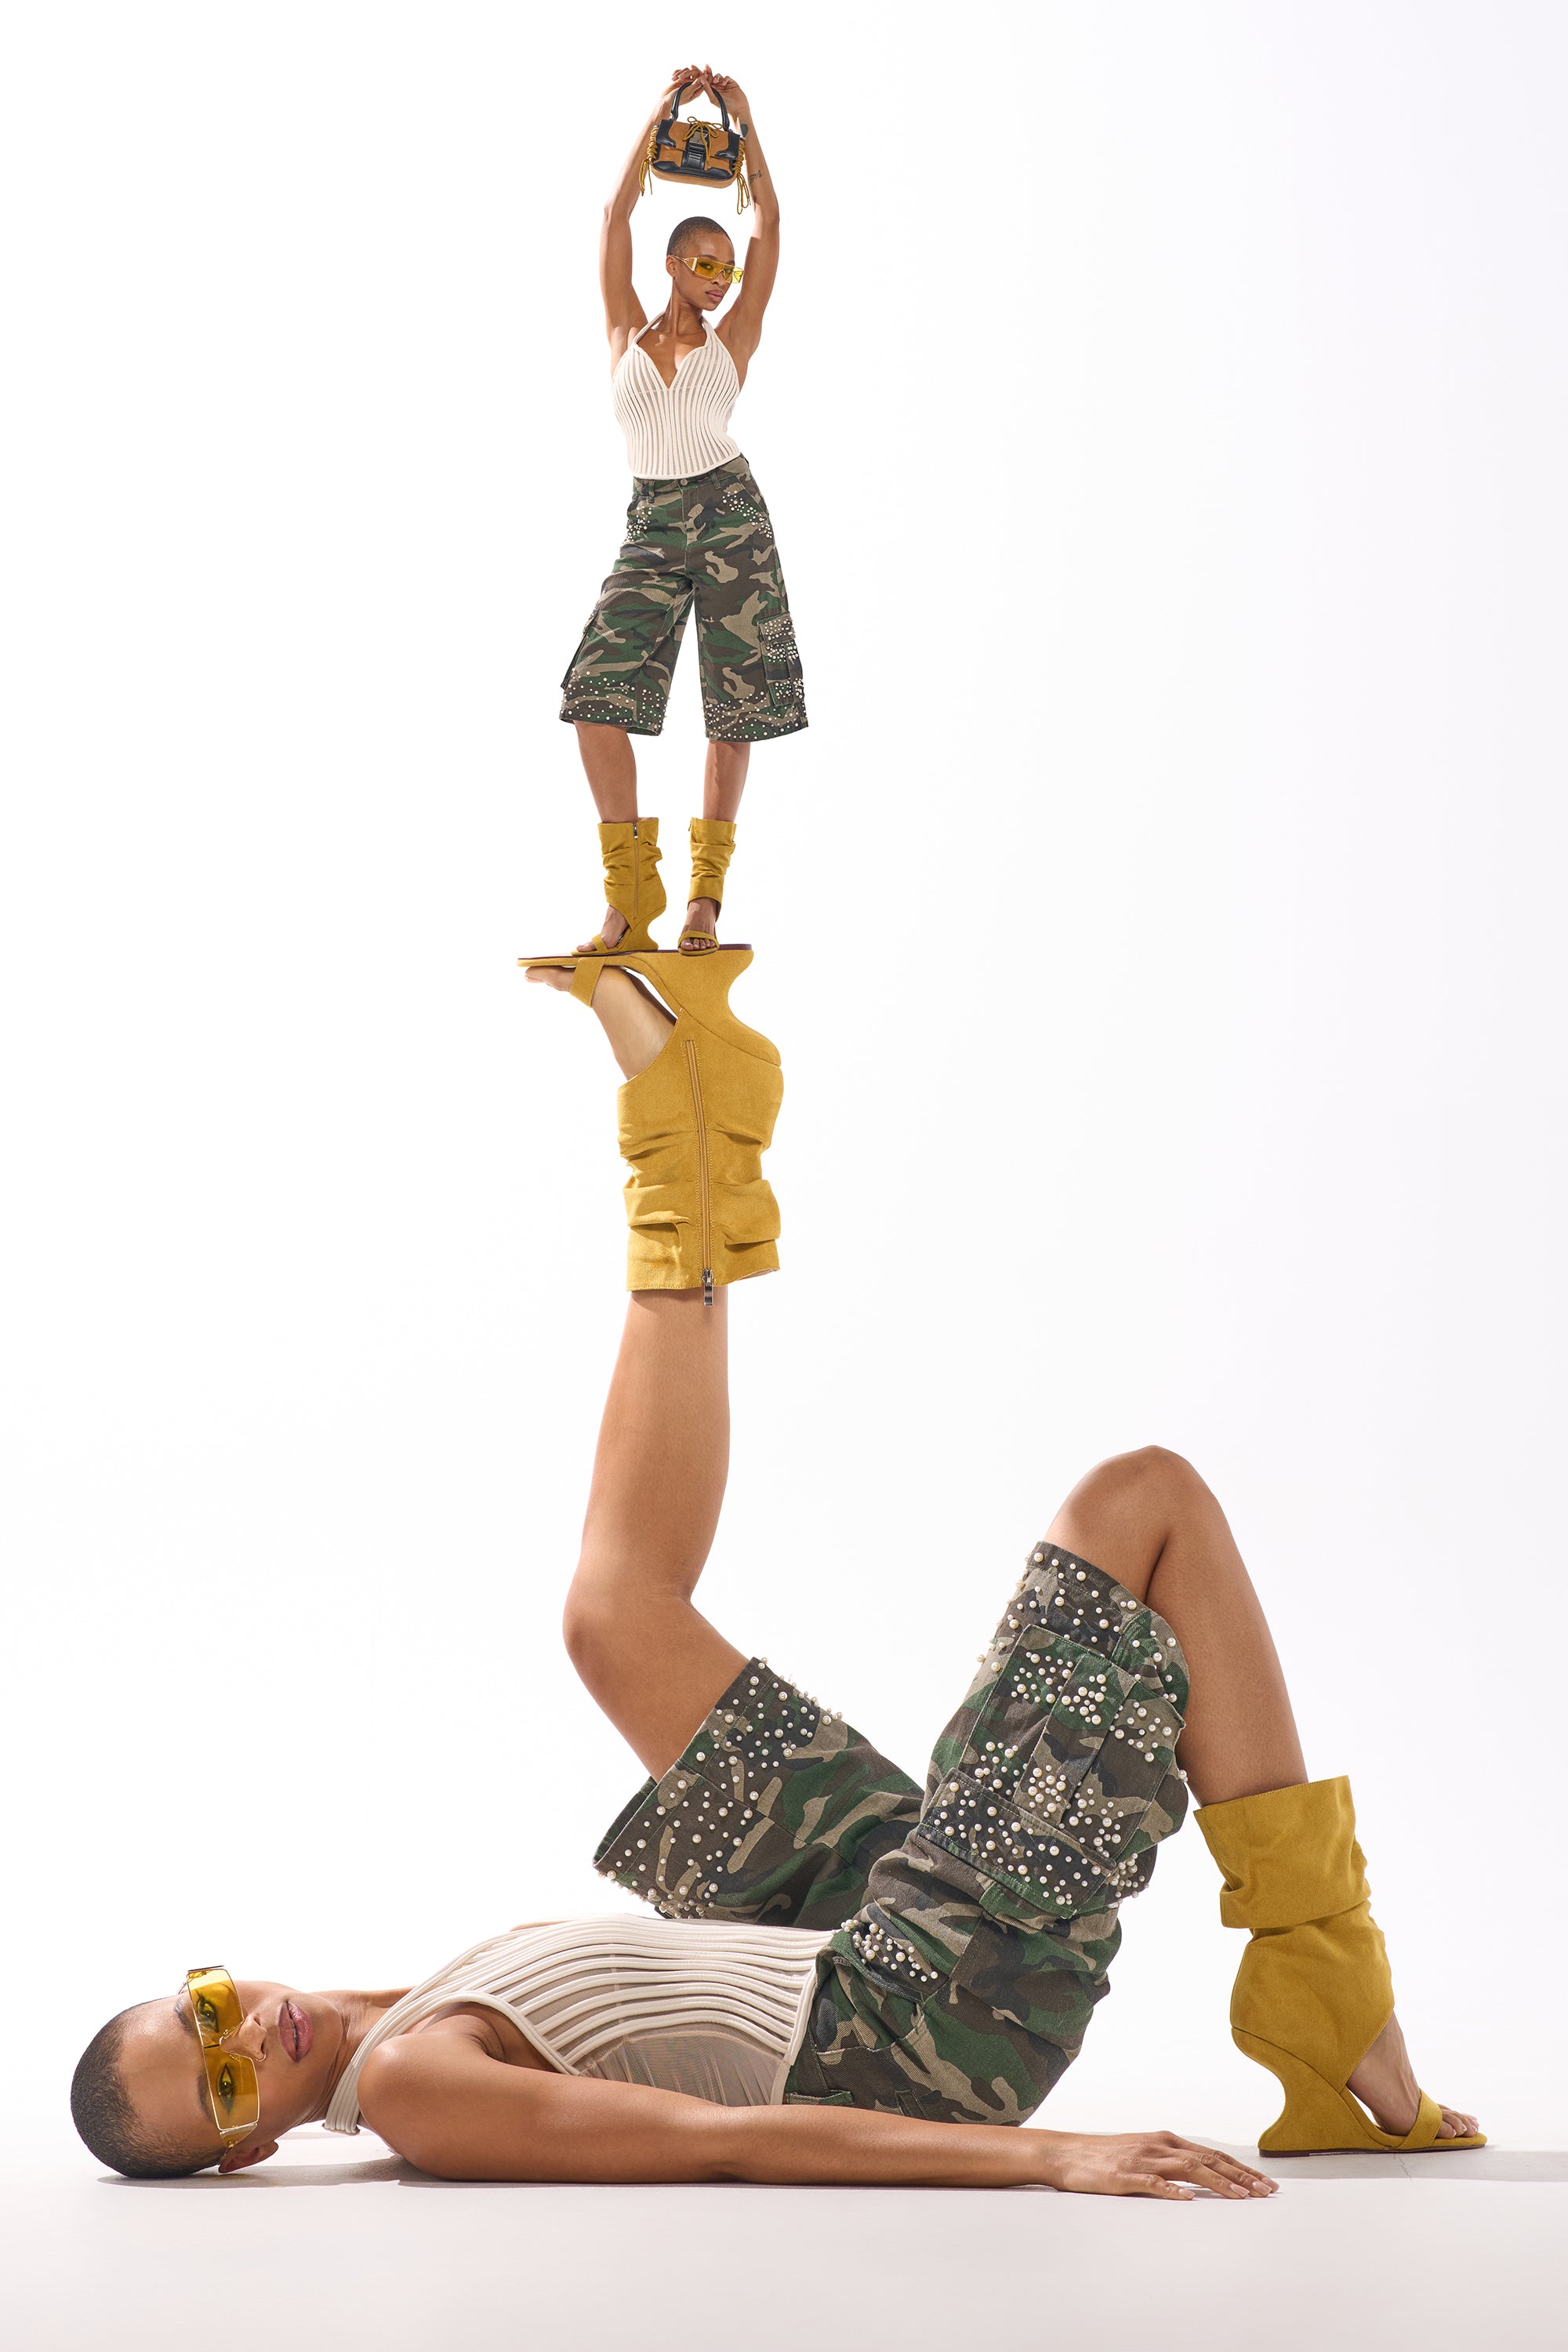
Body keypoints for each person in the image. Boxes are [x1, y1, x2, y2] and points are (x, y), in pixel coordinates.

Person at [68, 967, 1483, 2195]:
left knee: (611, 1624)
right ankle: (1330, 1999)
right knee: (1145, 1501)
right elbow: (713, 2145)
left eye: (207, 2012)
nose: (250, 2039)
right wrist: (1054, 2156)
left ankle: (684, 1131)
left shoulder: (391, 2008)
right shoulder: (424, 2091)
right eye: (228, 2090)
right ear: (247, 2151)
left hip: (835, 1941)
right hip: (922, 2023)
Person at [558, 67, 804, 964]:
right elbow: (611, 218)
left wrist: (746, 126)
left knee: (733, 711)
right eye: (702, 265)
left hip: (731, 515)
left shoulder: (731, 337)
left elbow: (771, 227)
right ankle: (630, 898)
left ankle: (702, 902)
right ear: (671, 264)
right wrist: (659, 119)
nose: (715, 279)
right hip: (652, 523)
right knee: (594, 696)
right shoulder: (625, 331)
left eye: (724, 270)